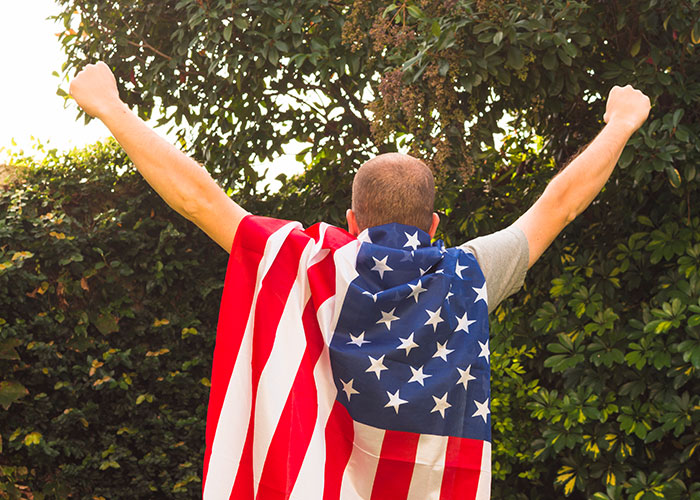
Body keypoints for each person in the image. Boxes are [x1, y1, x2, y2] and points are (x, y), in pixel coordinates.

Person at [69, 62, 650, 500]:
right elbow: (560, 205)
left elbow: (198, 199)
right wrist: (621, 123)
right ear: (434, 224)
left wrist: (111, 108)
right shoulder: (469, 274)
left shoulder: (306, 263)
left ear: (351, 221)